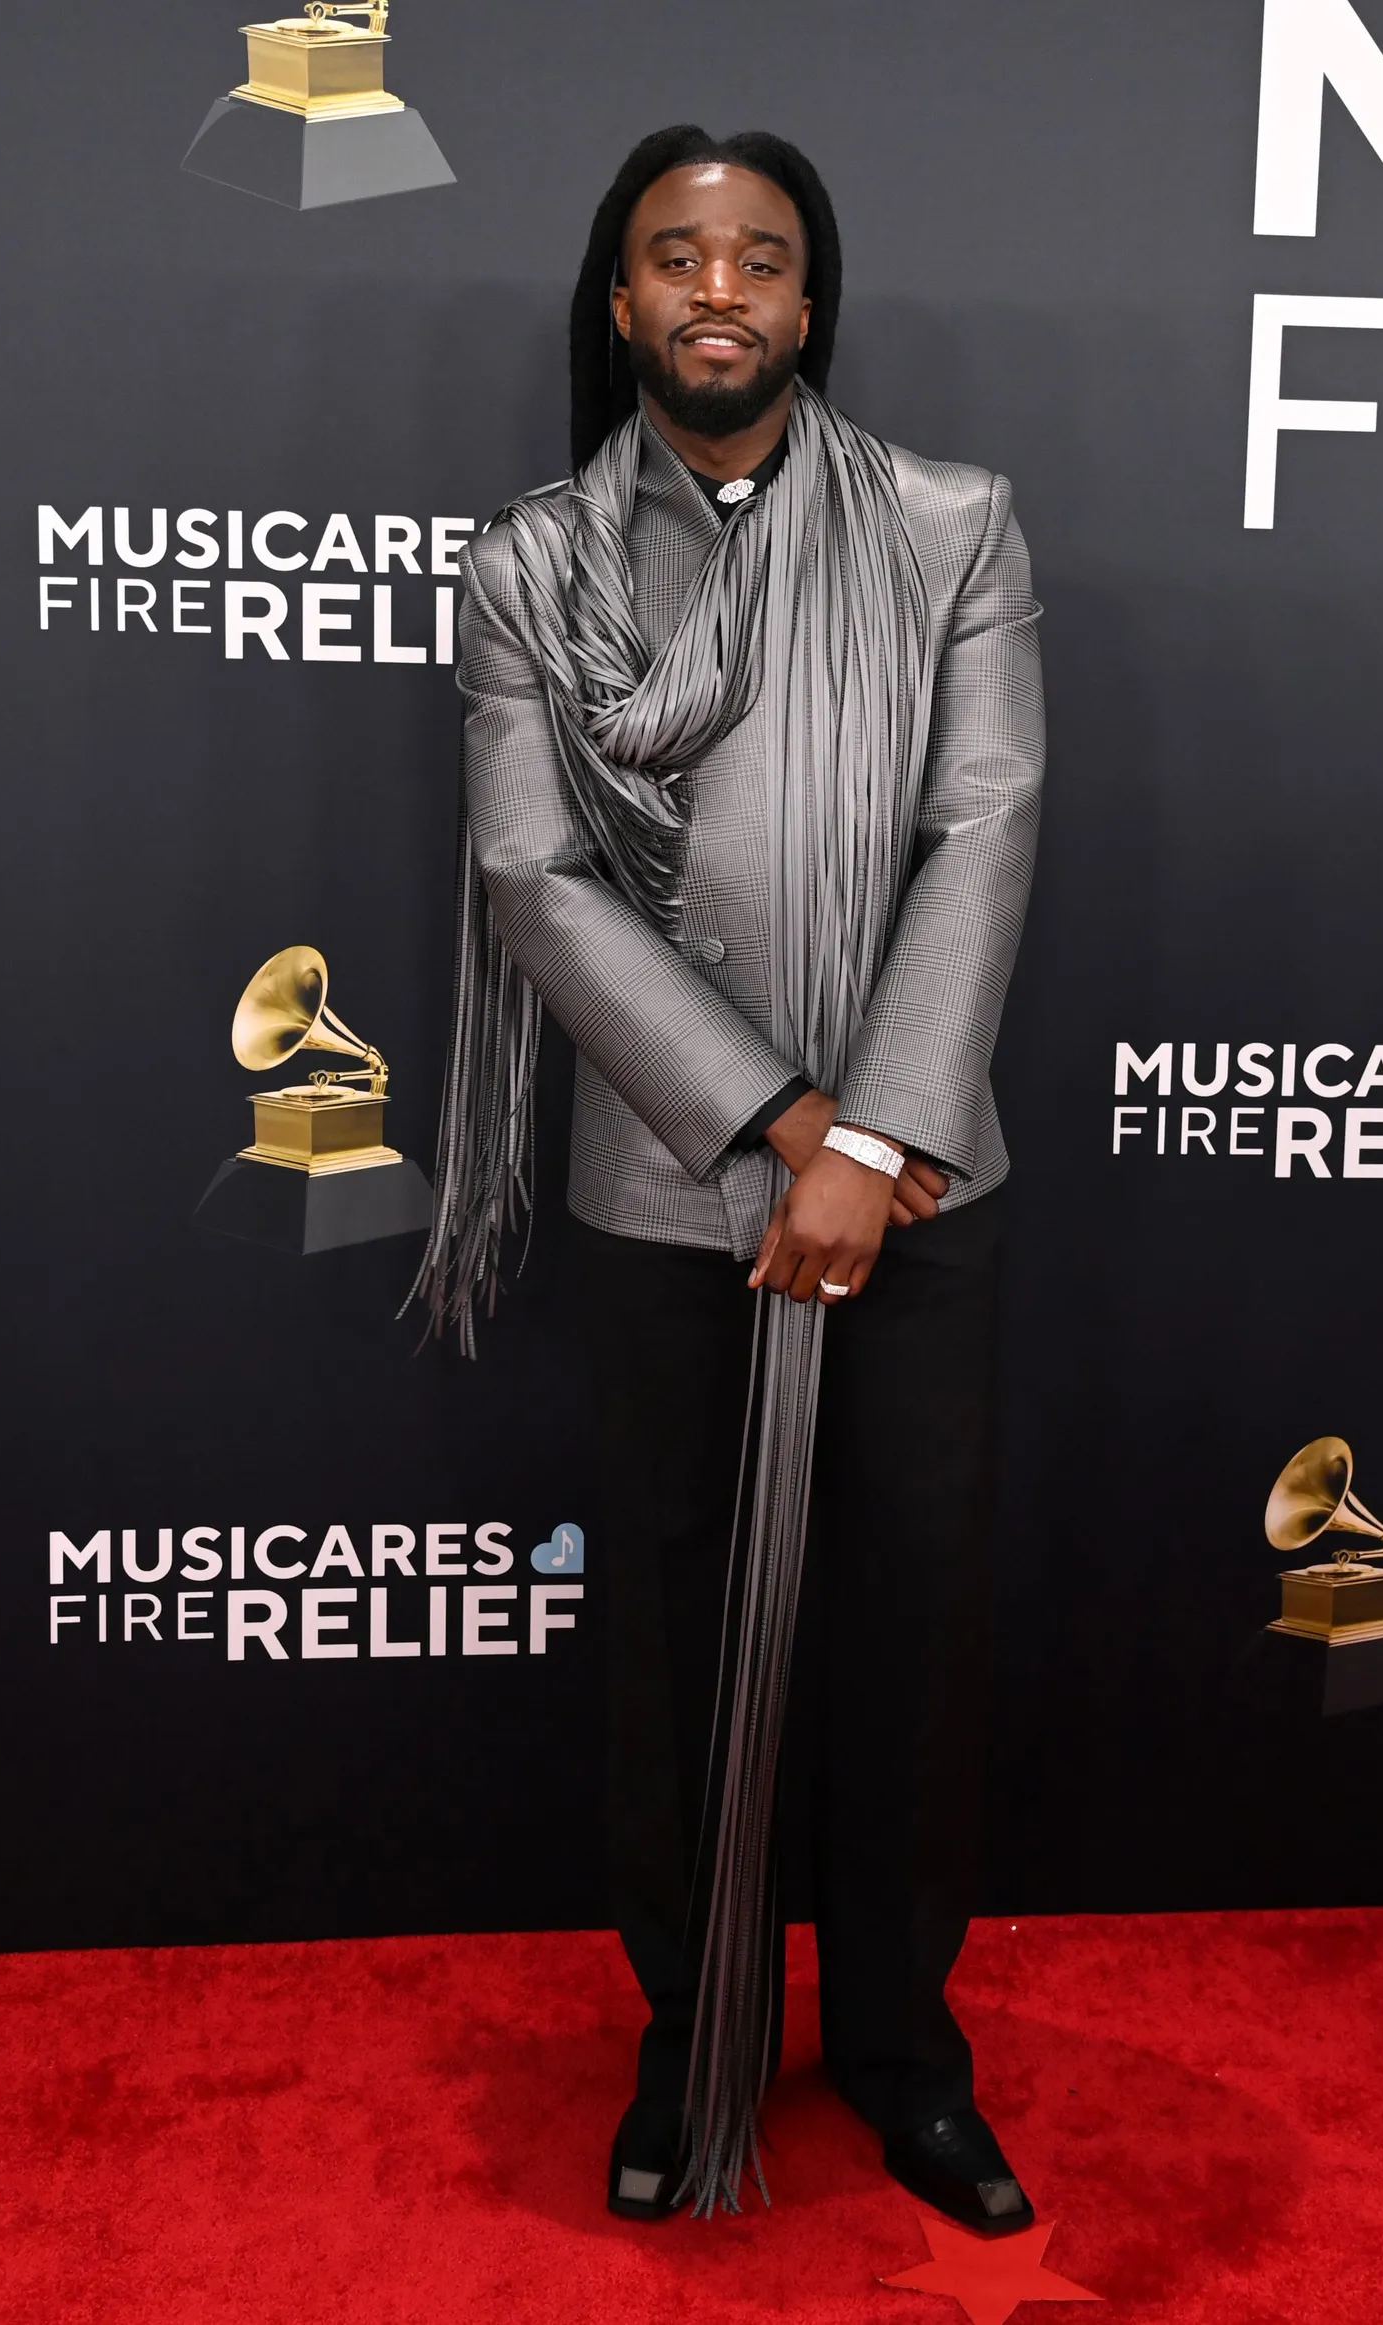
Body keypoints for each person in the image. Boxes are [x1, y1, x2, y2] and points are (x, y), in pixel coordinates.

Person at [420, 125, 1045, 2228]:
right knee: (676, 1643)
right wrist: (783, 1127)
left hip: (917, 1182)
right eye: (673, 257)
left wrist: (871, 1137)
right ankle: (689, 2034)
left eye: (758, 260)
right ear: (617, 303)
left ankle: (897, 2052)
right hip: (663, 1188)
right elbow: (531, 872)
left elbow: (980, 822)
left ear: (806, 301)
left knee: (907, 1638)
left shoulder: (951, 526)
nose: (717, 291)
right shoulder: (530, 564)